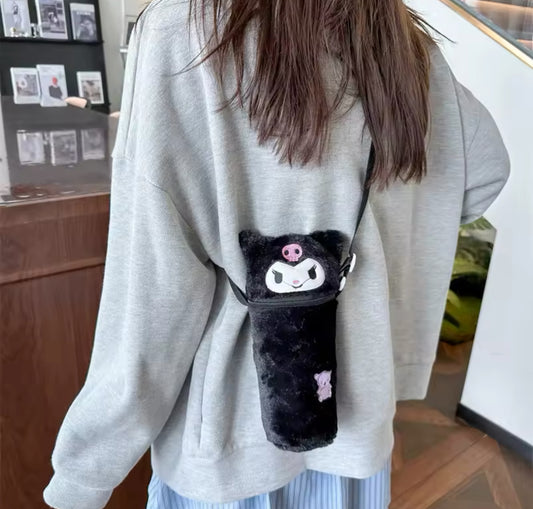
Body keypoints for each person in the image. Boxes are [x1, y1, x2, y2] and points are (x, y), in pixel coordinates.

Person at [43, 0, 510, 508]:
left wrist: (83, 477)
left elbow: (152, 300)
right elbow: (486, 173)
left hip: (229, 448)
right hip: (357, 439)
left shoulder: (184, 33)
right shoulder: (405, 44)